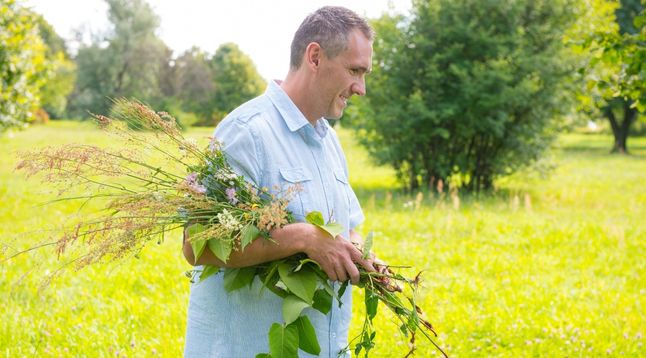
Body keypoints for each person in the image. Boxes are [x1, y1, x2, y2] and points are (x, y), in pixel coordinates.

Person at [183, 6, 377, 357]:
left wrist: (357, 253)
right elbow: (196, 244)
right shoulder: (246, 132)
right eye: (354, 71)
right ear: (315, 57)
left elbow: (351, 225)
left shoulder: (327, 138)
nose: (361, 88)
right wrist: (303, 237)